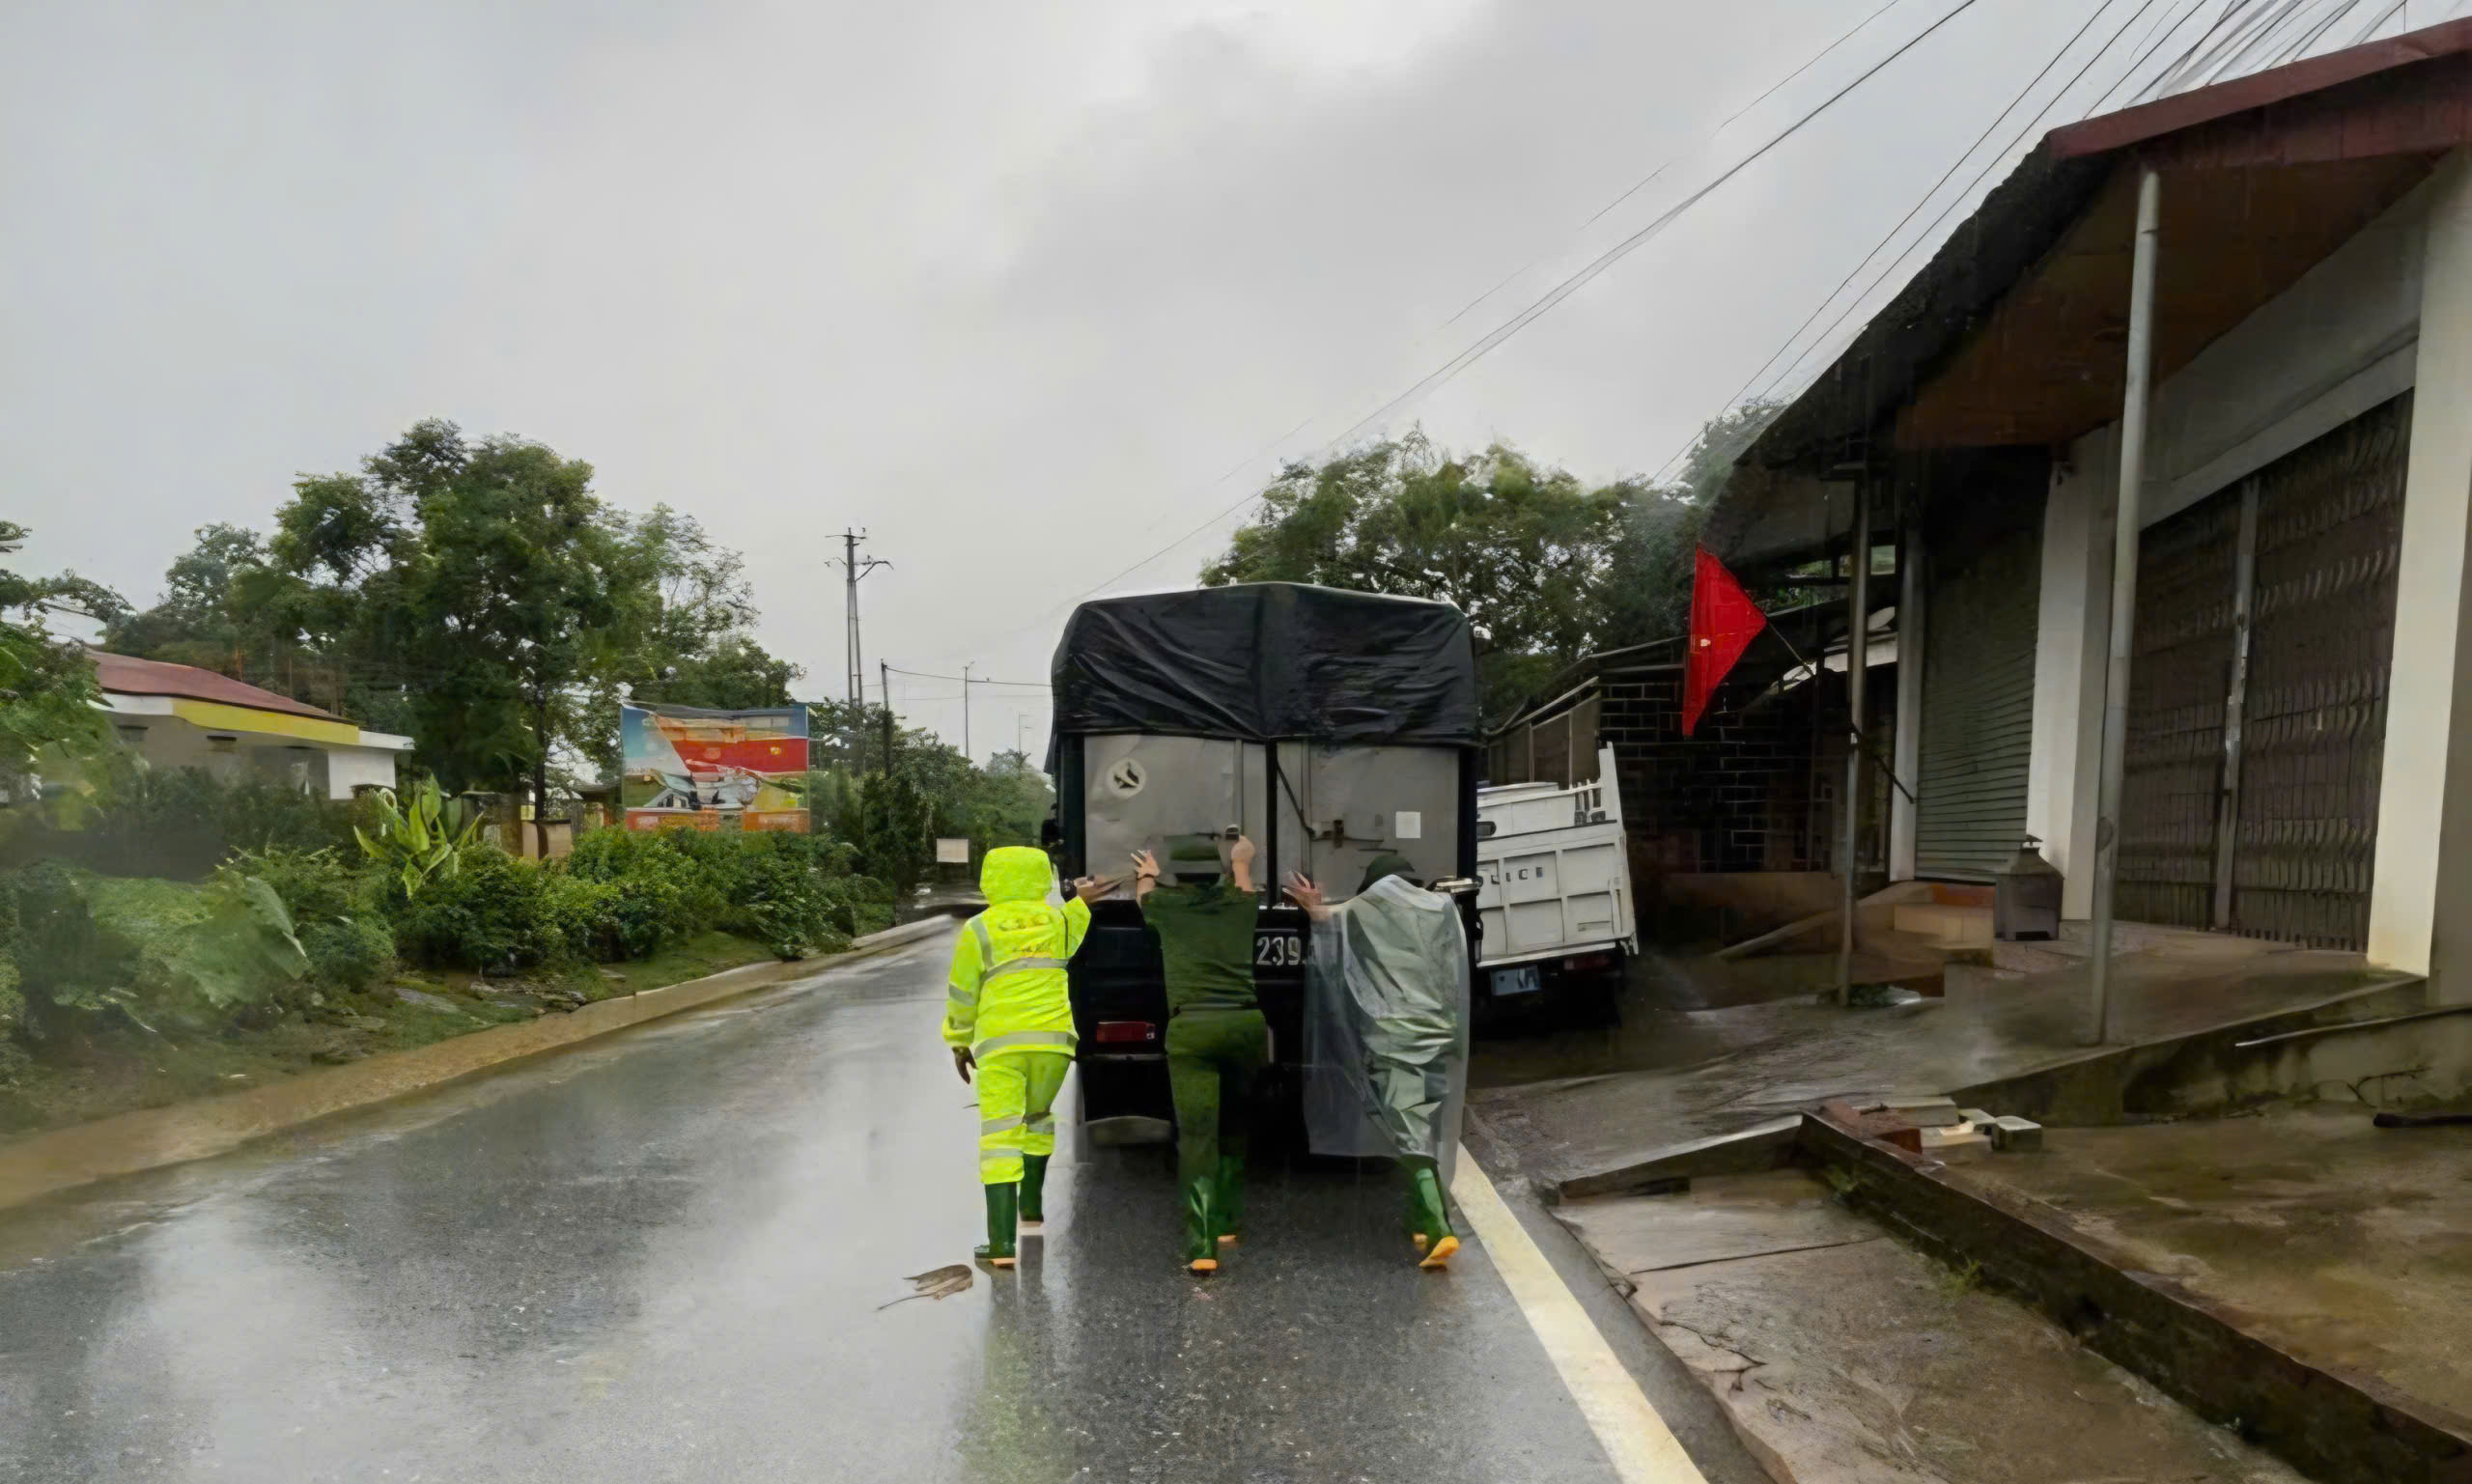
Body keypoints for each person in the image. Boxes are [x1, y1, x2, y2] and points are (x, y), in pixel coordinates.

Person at [1285, 854, 1471, 1270]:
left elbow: (1326, 926)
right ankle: (1421, 1220)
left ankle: (1440, 1229)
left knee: (1410, 1137)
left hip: (1394, 1042)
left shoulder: (1360, 912)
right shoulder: (1439, 911)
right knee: (1426, 1129)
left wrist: (1312, 902)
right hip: (1439, 1037)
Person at [945, 845, 1112, 1268]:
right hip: (1055, 1043)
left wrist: (959, 1041)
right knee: (1037, 1116)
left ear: (991, 880)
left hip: (1001, 1045)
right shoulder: (1058, 920)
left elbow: (963, 993)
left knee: (1000, 1139)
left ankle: (1001, 1246)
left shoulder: (980, 929)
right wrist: (1079, 901)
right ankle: (1032, 1209)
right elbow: (1077, 923)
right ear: (1042, 878)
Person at [1131, 834, 1262, 1274]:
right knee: (1234, 1127)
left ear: (1178, 877)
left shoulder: (1167, 909)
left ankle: (1202, 1243)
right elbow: (1243, 881)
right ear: (1218, 873)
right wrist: (1241, 858)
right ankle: (1226, 1222)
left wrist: (1148, 875)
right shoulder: (1241, 905)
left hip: (1192, 1031)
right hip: (1245, 1026)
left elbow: (1144, 897)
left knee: (1198, 1134)